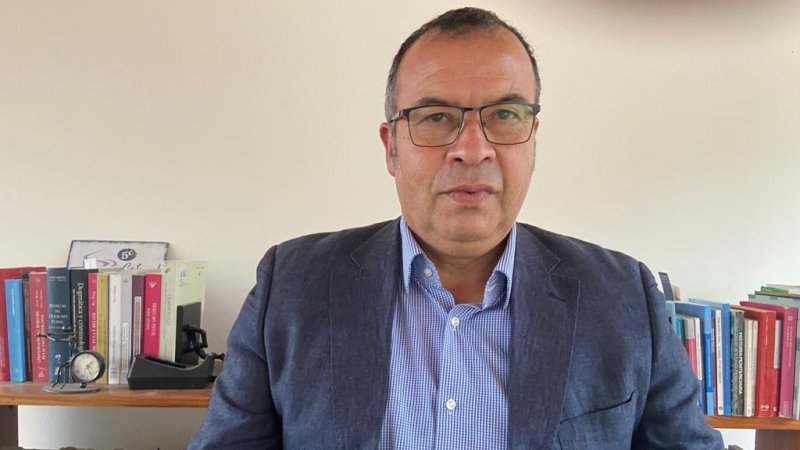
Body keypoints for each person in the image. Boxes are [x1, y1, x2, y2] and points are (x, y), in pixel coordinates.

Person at [190, 7, 724, 449]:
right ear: (391, 148)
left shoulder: (623, 295)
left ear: (533, 137)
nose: (472, 149)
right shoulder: (291, 286)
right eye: (436, 117)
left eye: (505, 115)